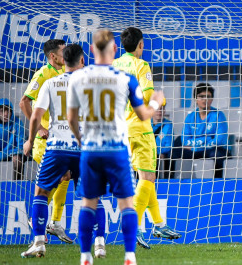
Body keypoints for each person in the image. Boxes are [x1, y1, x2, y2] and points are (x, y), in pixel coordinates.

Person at [66, 29, 165, 265]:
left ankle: (85, 255)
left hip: (91, 148)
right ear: (113, 49)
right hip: (117, 146)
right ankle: (129, 255)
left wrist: (82, 142)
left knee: (89, 202)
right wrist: (156, 101)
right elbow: (144, 114)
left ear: (91, 50)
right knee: (127, 203)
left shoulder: (78, 77)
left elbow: (71, 118)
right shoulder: (127, 78)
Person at [20, 44, 105, 258]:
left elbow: (36, 116)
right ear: (82, 61)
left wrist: (31, 140)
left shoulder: (50, 83)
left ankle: (39, 242)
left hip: (57, 147)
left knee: (41, 192)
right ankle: (100, 243)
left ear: (63, 61)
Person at [111, 27, 180, 249]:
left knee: (145, 176)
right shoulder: (141, 65)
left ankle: (158, 224)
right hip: (140, 126)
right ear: (140, 44)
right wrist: (161, 101)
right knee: (148, 177)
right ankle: (135, 226)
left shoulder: (114, 65)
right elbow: (148, 96)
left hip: (121, 128)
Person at [19, 39, 72, 243]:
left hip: (61, 139)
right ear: (53, 56)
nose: (66, 53)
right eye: (62, 51)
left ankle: (54, 222)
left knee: (65, 176)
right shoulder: (43, 74)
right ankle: (38, 221)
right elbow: (24, 101)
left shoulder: (63, 72)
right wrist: (39, 127)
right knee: (50, 182)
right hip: (45, 141)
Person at [178, 83, 229, 179]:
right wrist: (207, 139)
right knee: (177, 152)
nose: (205, 100)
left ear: (212, 99)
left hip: (211, 150)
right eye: (201, 96)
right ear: (195, 99)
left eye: (208, 97)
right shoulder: (190, 117)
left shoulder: (218, 115)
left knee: (217, 154)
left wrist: (196, 145)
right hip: (195, 151)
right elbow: (184, 141)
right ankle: (183, 180)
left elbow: (219, 141)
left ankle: (217, 182)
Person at [152, 106, 174, 180]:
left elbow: (169, 145)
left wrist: (156, 152)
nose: (159, 111)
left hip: (160, 155)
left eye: (162, 109)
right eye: (157, 109)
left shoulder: (168, 125)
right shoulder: (145, 124)